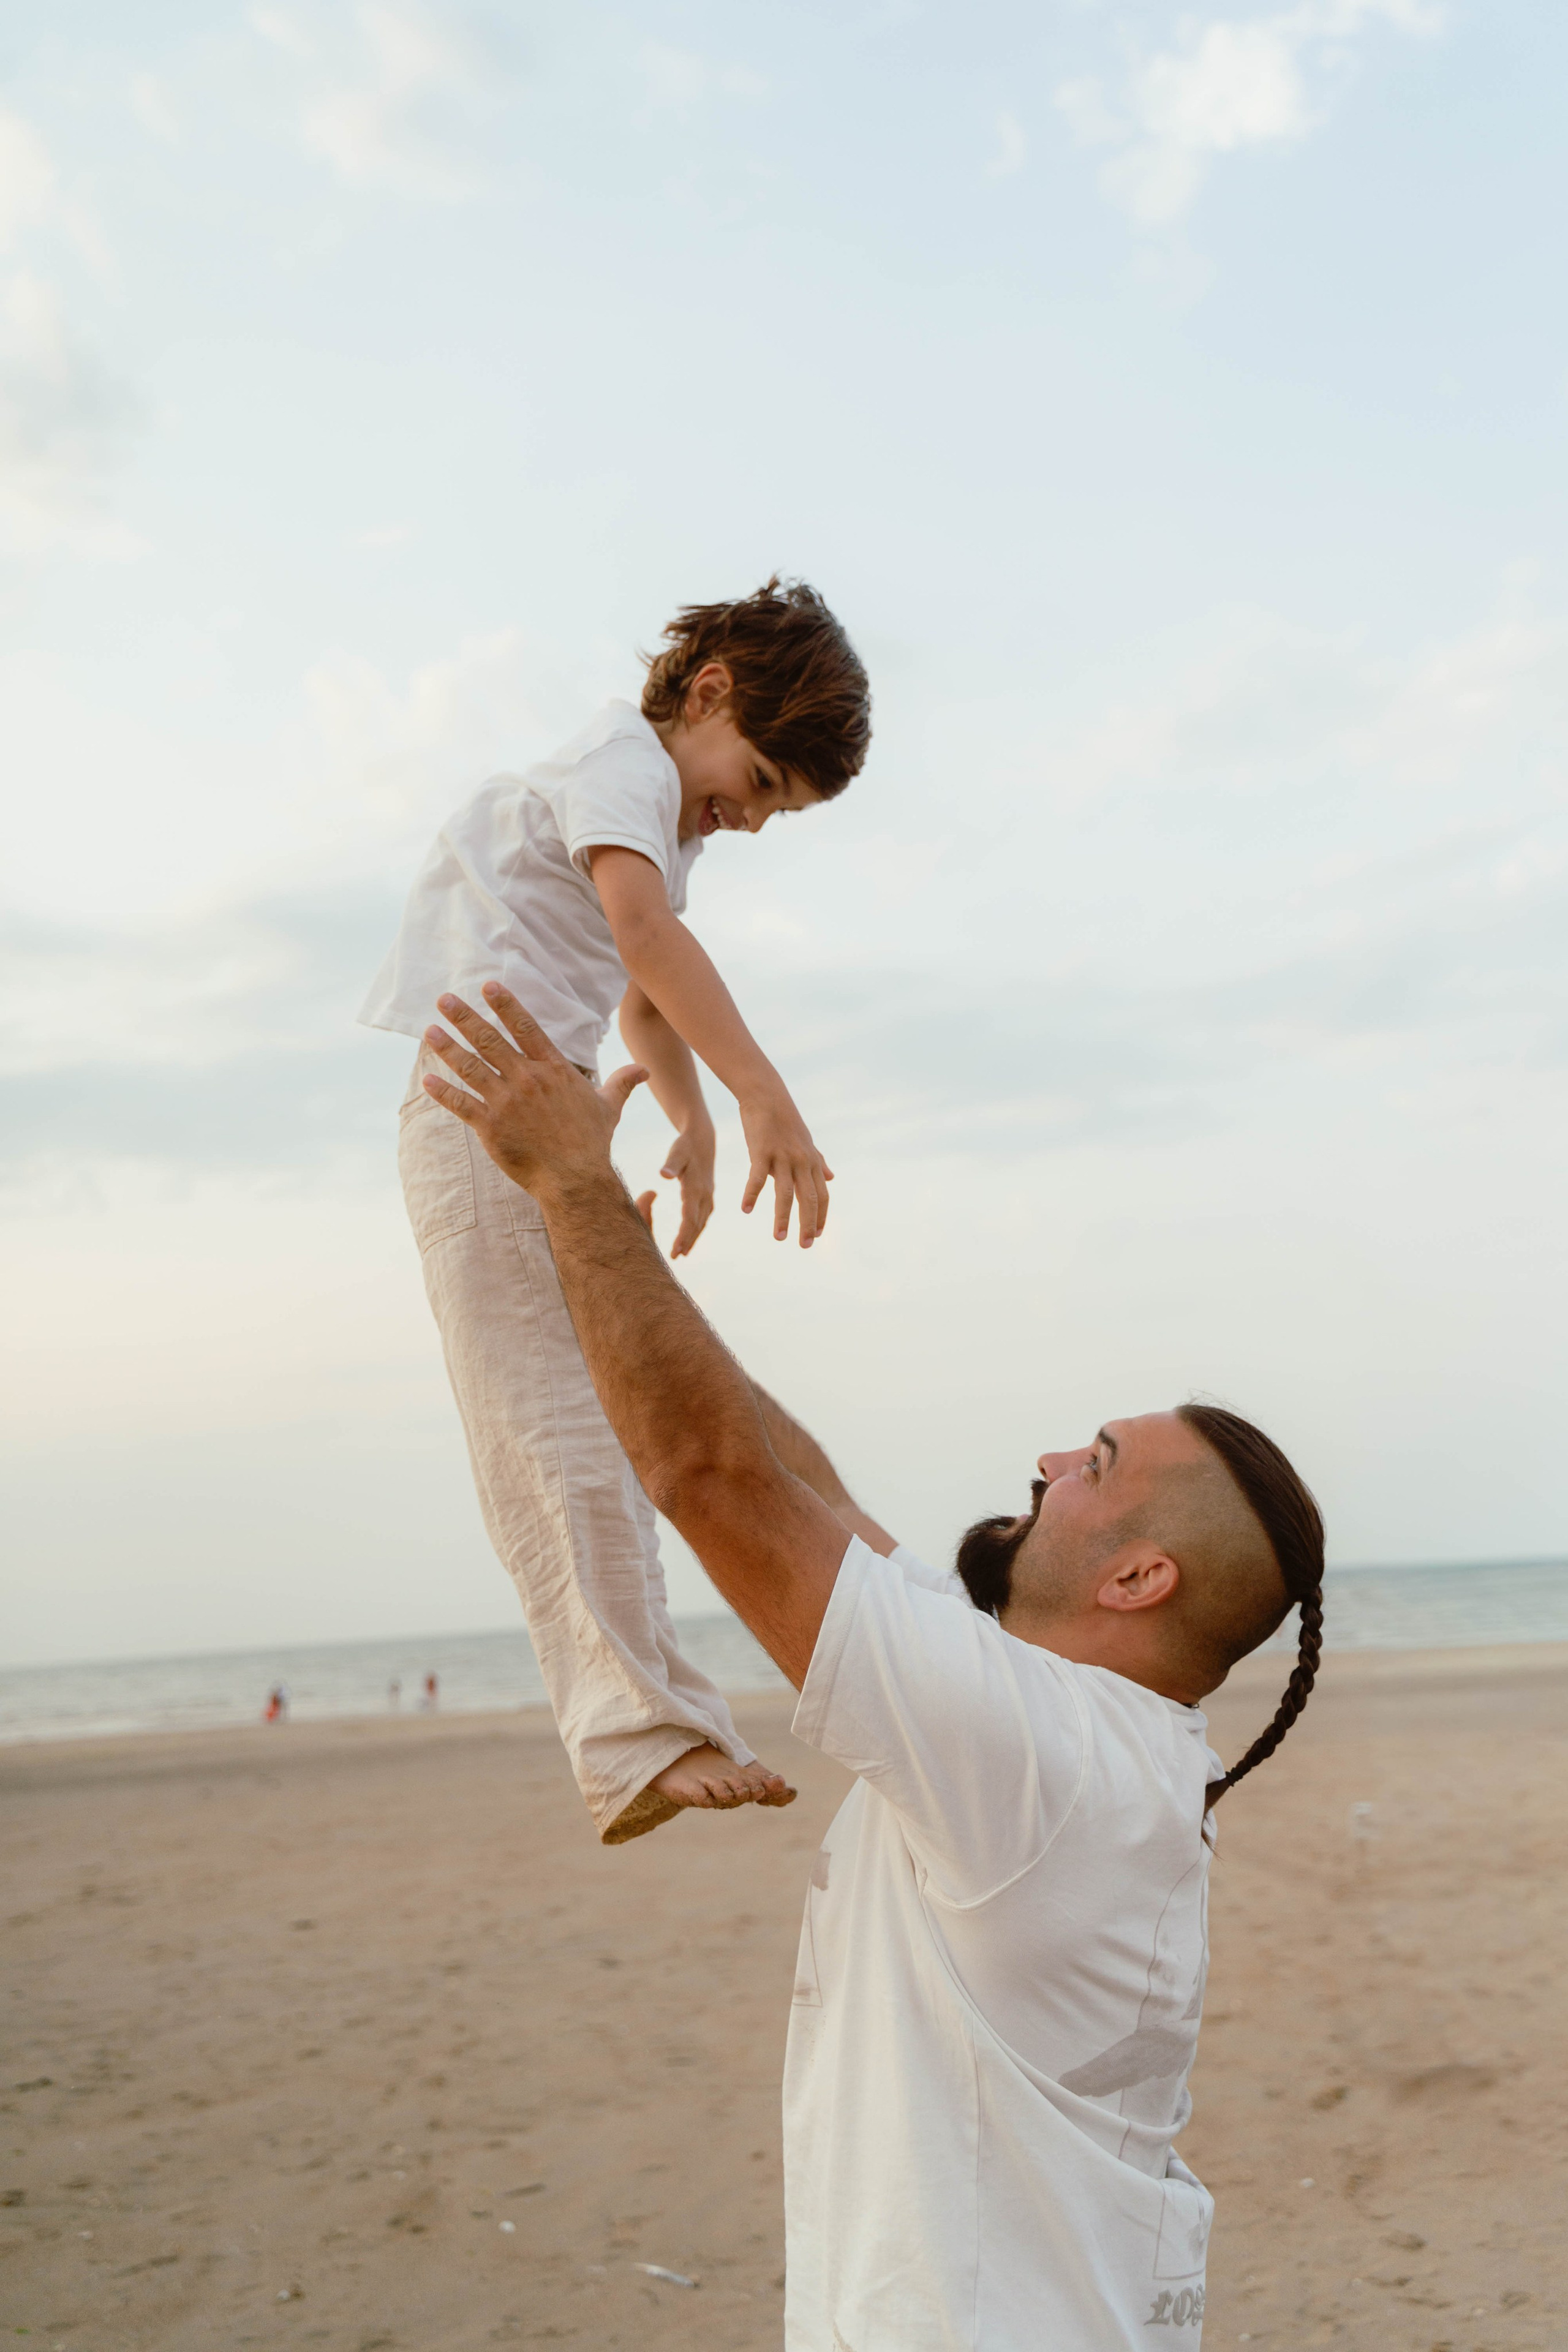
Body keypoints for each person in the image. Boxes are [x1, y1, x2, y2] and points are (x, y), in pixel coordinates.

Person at [417, 985, 1327, 2351]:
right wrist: (582, 1245)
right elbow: (805, 1489)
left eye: (1091, 1463)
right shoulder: (1072, 1727)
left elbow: (712, 1479)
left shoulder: (1042, 1751)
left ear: (1141, 1579)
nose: (1042, 1461)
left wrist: (572, 1185)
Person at [359, 580, 871, 1844]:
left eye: (773, 812)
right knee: (548, 1426)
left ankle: (662, 1716)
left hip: (538, 1121)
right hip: (484, 1115)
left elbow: (635, 990)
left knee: (616, 1418)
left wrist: (689, 1120)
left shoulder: (651, 817)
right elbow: (640, 938)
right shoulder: (618, 764)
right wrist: (762, 1096)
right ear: (707, 693)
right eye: (756, 782)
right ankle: (633, 1737)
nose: (747, 820)